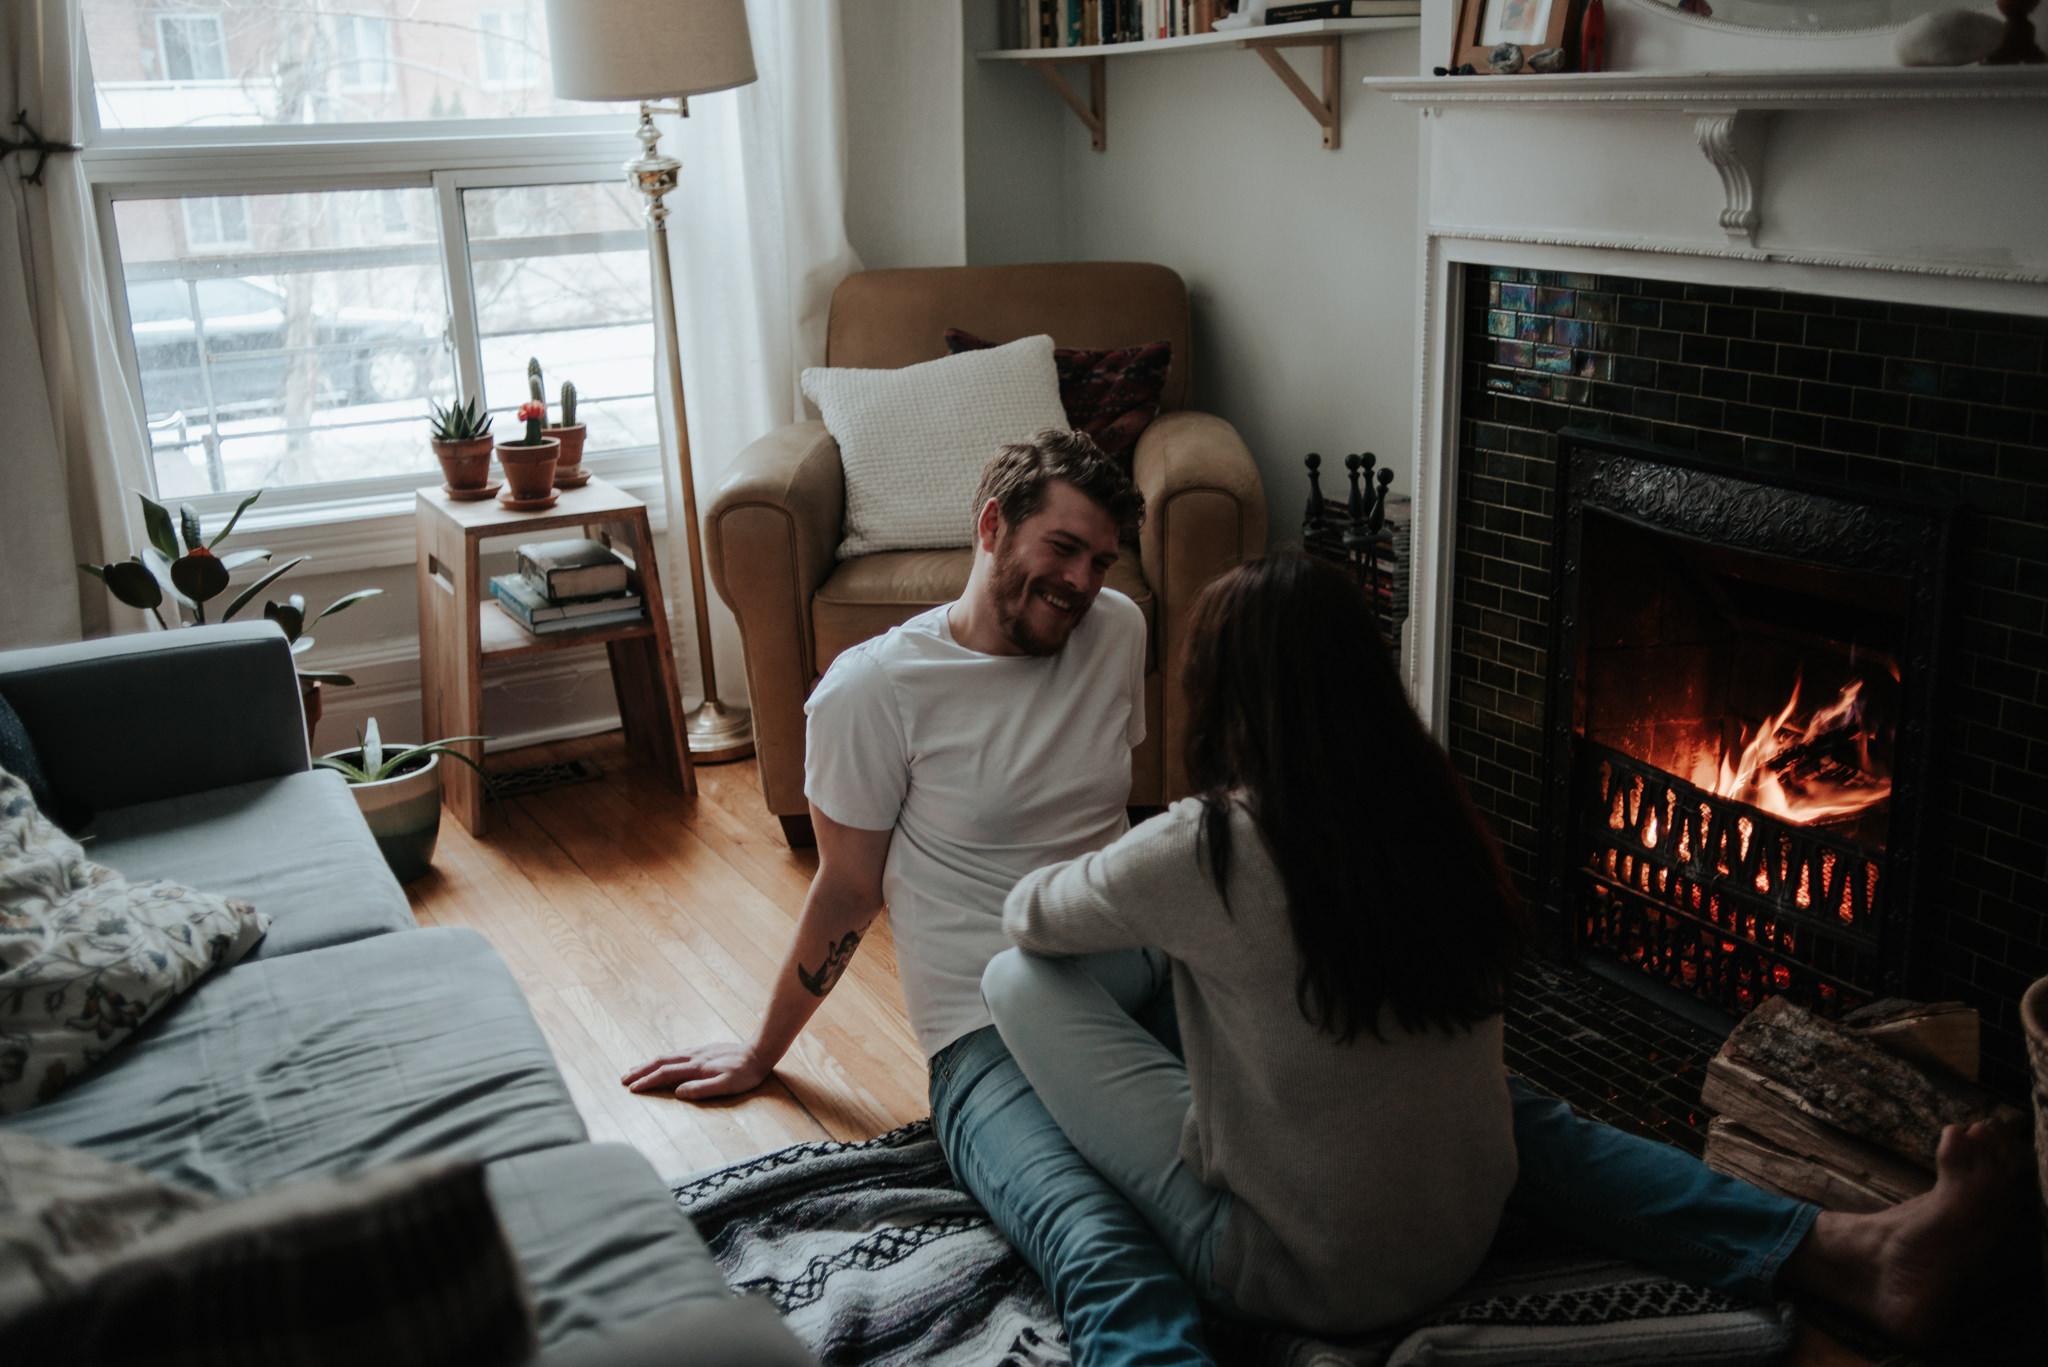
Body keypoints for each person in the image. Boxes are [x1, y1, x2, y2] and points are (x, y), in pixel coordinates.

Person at [624, 429, 2020, 1365]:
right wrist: (761, 1053)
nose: (1086, 583)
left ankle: (1837, 1248)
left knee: (1486, 1109)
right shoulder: (872, 688)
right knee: (1090, 1223)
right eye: (1060, 551)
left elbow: (1155, 820)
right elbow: (848, 890)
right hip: (991, 1023)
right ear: (991, 526)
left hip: (1153, 949)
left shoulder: (1115, 630)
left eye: (1105, 560)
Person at [983, 551, 1526, 1336]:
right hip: (1467, 1234)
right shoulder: (1433, 805)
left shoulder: (1209, 846)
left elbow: (1027, 914)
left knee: (1015, 979)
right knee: (1197, 953)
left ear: (1220, 691)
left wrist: (1144, 883)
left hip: (1308, 1277)